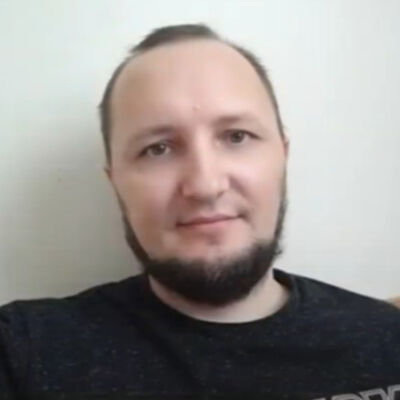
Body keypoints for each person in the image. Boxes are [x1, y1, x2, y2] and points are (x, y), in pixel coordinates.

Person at [1, 23, 399, 400]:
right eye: (157, 148)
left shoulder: (387, 338)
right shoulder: (24, 352)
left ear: (283, 155)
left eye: (237, 136)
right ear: (114, 181)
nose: (206, 185)